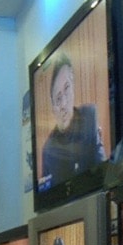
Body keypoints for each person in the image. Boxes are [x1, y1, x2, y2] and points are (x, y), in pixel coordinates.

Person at [39, 53, 105, 188]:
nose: (63, 104)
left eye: (67, 88)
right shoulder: (48, 150)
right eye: (58, 99)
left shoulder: (89, 116)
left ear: (73, 86)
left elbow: (103, 172)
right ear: (53, 108)